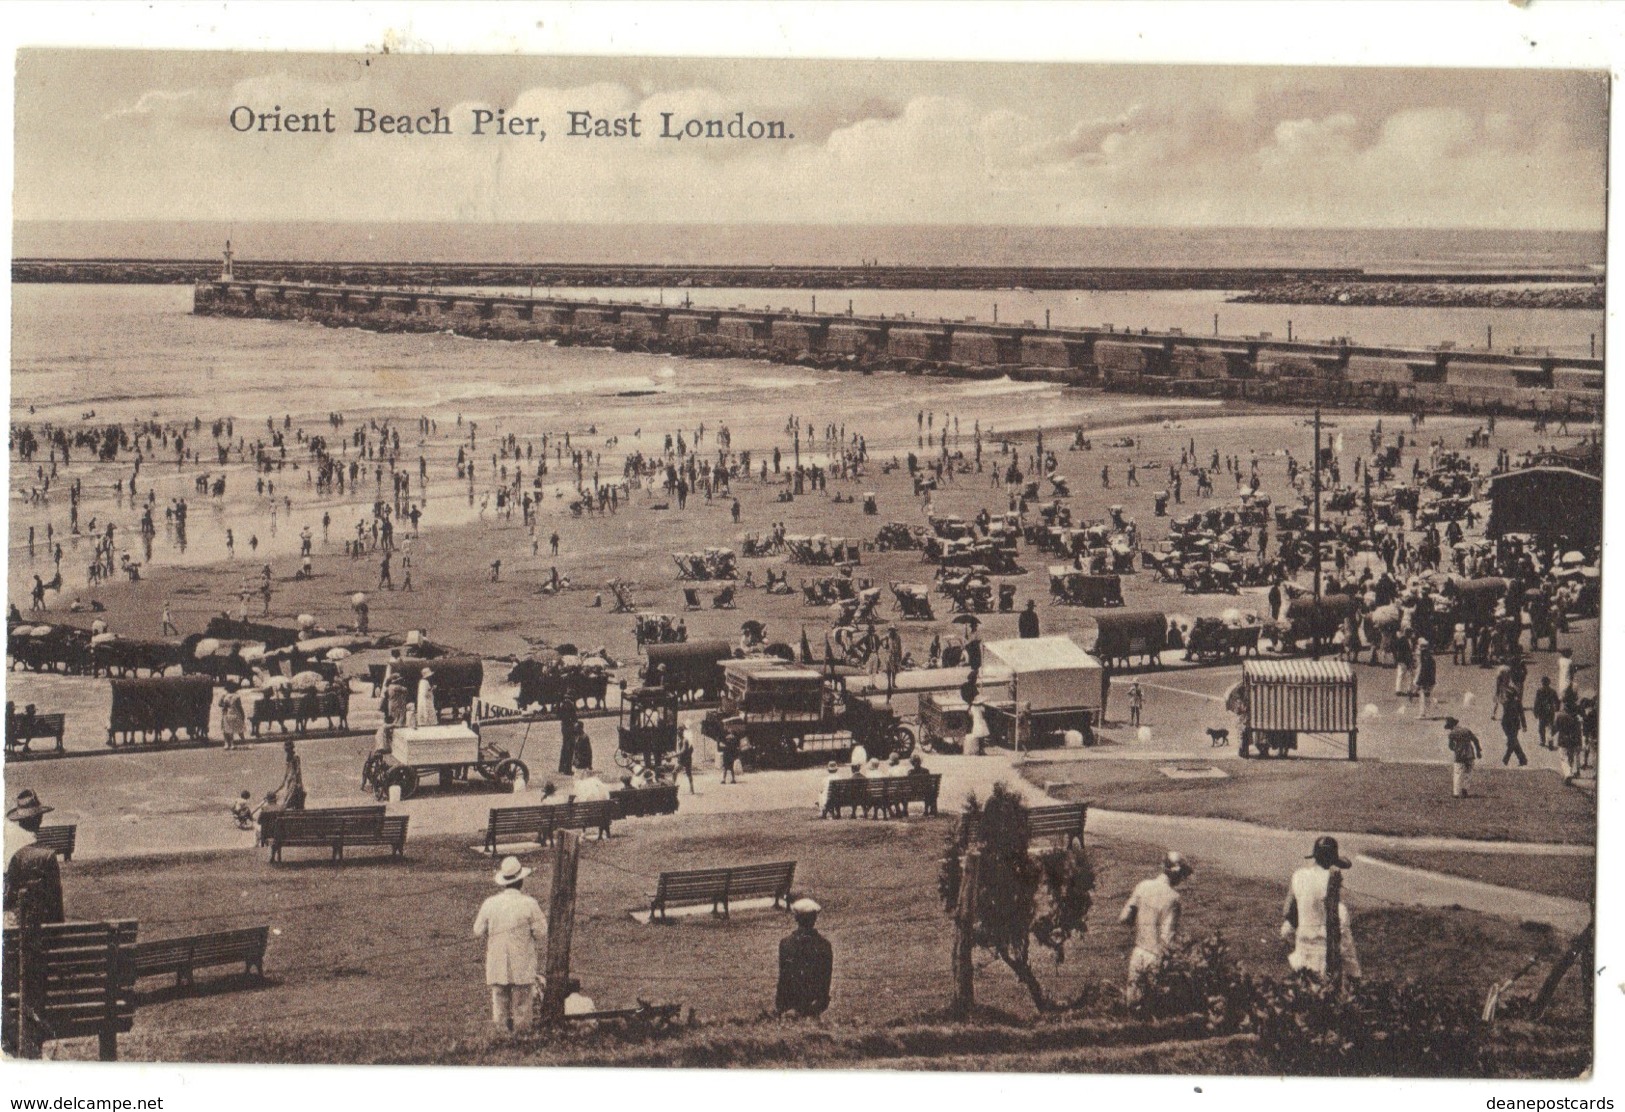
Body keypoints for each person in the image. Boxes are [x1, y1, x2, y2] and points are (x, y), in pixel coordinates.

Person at [473, 856, 548, 1033]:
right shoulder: (529, 904)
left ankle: (501, 1038)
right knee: (522, 1005)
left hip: (498, 962)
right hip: (522, 962)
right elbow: (541, 931)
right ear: (521, 881)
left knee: (500, 1005)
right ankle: (522, 1038)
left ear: (504, 882)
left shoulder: (490, 903)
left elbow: (477, 929)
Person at [1280, 836, 1361, 980]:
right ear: (1332, 861)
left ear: (1315, 857)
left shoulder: (1299, 876)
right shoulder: (1332, 879)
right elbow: (1339, 923)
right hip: (1327, 952)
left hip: (1303, 948)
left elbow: (1288, 912)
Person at [1119, 851, 1192, 1005]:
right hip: (1156, 957)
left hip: (1138, 952)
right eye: (1182, 875)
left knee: (1132, 1004)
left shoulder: (1143, 886)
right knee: (1152, 1006)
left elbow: (1124, 918)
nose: (1182, 880)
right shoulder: (1173, 898)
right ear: (1176, 874)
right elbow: (1167, 936)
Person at [4, 790, 65, 930]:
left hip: (15, 928)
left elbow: (8, 898)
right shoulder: (47, 856)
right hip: (44, 929)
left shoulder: (9, 851)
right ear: (40, 819)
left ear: (19, 822)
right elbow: (55, 902)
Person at [775, 898, 833, 1018]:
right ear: (815, 919)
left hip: (789, 1004)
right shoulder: (824, 945)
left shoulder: (786, 944)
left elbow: (784, 977)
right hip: (816, 1003)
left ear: (796, 918)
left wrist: (781, 1007)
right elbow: (826, 979)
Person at [1445, 716, 1482, 799]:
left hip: (1459, 755)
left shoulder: (1452, 733)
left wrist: (1455, 748)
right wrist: (1478, 751)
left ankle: (1456, 793)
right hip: (1470, 754)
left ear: (1451, 726)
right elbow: (1475, 740)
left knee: (1457, 773)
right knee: (1468, 772)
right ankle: (1465, 789)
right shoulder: (1466, 730)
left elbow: (1450, 746)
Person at [1500, 679, 1529, 767]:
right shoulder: (1515, 703)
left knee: (1512, 742)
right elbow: (1522, 715)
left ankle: (1507, 759)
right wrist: (1524, 725)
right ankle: (1522, 759)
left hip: (1509, 725)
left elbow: (1521, 714)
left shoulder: (1507, 703)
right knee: (1513, 741)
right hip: (1512, 725)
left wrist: (1524, 725)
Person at [1553, 703, 1583, 783]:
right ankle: (1570, 771)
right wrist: (1580, 743)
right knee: (1570, 757)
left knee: (1563, 757)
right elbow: (1579, 732)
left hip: (1563, 740)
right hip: (1573, 741)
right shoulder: (1576, 718)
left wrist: (1551, 735)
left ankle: (1568, 773)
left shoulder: (1560, 716)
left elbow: (1555, 727)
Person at [278, 740, 307, 810]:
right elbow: (287, 771)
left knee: (291, 797)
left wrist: (298, 782)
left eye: (286, 748)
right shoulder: (288, 756)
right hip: (290, 779)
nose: (285, 750)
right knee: (290, 797)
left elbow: (297, 770)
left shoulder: (295, 756)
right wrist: (284, 781)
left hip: (294, 780)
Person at [1533, 676, 1560, 750]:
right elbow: (1557, 701)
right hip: (1549, 711)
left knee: (1542, 727)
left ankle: (1543, 741)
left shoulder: (1540, 691)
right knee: (1549, 728)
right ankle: (1549, 741)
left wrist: (1535, 712)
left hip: (1543, 712)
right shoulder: (1552, 691)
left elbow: (1536, 702)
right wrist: (1557, 708)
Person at [219, 681, 246, 750]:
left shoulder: (224, 696)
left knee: (226, 729)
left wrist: (225, 705)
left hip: (226, 713)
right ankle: (232, 744)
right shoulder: (237, 696)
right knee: (233, 728)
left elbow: (219, 704)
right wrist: (243, 715)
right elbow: (240, 707)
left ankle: (226, 743)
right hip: (235, 713)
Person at [1413, 638, 1436, 719]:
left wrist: (1419, 682)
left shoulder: (1424, 658)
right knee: (1427, 697)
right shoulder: (1429, 657)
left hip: (1425, 680)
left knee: (1423, 697)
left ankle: (1423, 714)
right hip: (1430, 680)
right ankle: (1428, 713)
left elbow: (1422, 670)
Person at [674, 724, 696, 795]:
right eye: (677, 730)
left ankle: (691, 790)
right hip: (682, 759)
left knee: (686, 773)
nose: (677, 732)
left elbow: (683, 751)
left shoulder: (685, 740)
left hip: (685, 759)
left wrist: (673, 755)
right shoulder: (679, 739)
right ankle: (674, 788)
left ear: (682, 731)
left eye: (679, 730)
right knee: (676, 773)